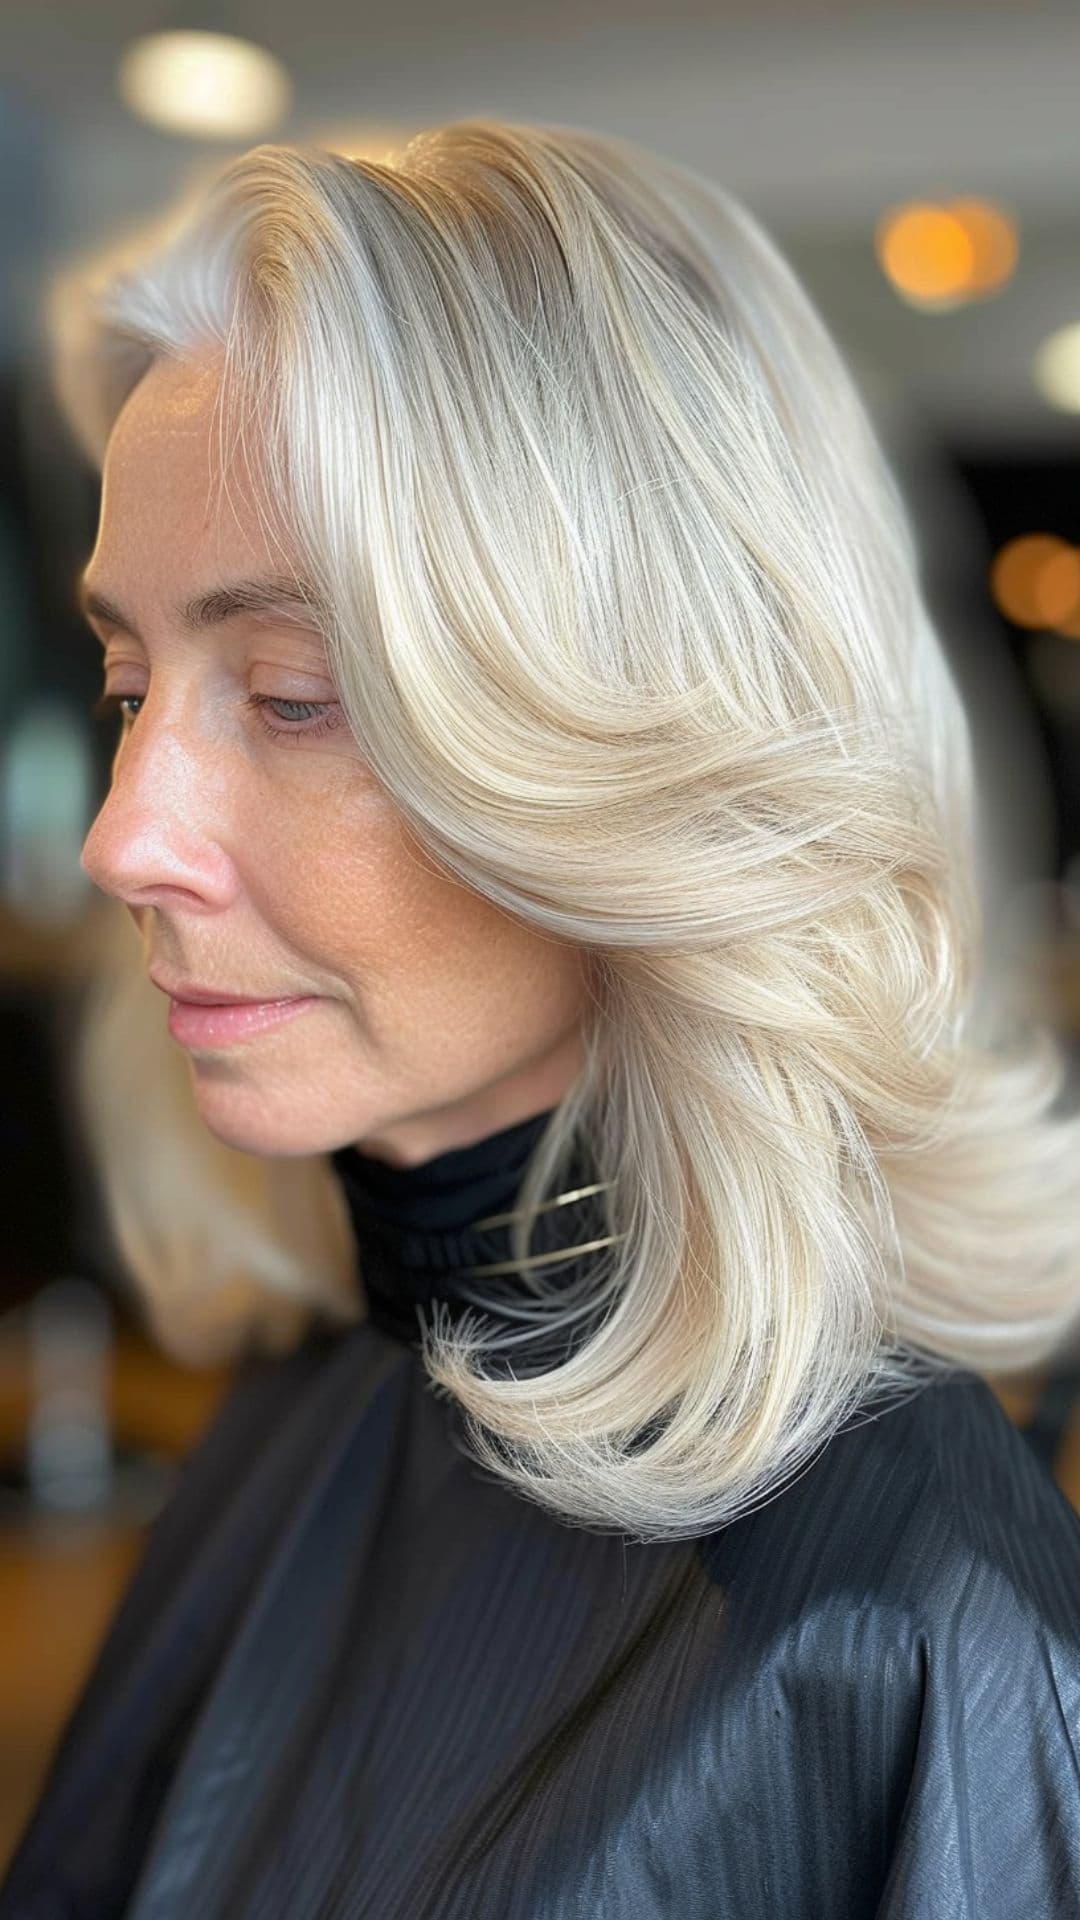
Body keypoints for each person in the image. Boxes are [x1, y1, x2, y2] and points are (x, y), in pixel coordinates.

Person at [3, 117, 1079, 1918]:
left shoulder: (917, 1639)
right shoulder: (312, 1407)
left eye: (287, 695)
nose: (126, 840)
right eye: (130, 684)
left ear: (641, 747)